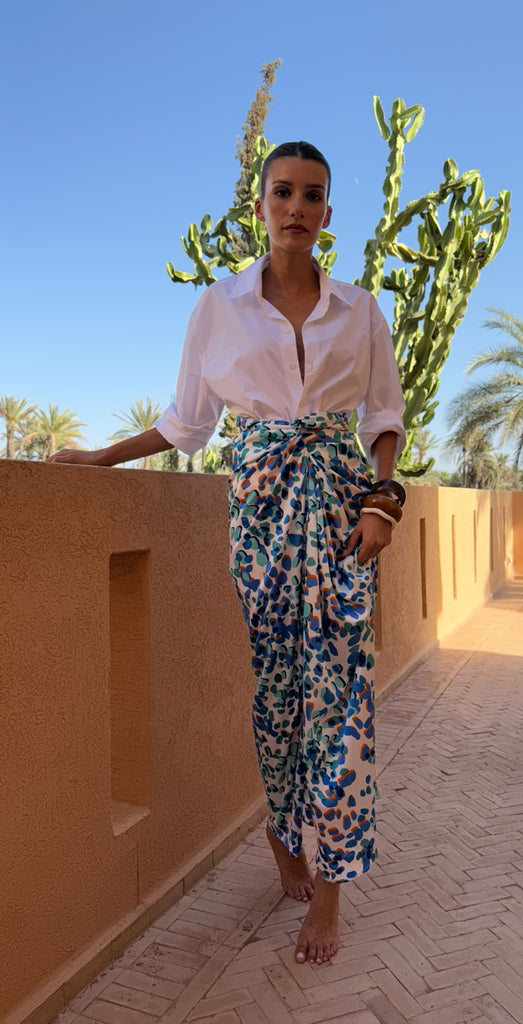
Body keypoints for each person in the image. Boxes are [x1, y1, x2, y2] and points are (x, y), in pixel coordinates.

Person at [49, 141, 406, 966]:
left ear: (327, 214)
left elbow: (383, 418)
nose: (296, 207)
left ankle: (331, 890)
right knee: (277, 692)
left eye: (311, 195)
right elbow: (187, 423)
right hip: (259, 515)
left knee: (342, 697)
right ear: (260, 205)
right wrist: (101, 458)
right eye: (282, 192)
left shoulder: (361, 312)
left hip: (342, 514)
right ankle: (284, 838)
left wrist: (383, 501)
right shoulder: (218, 307)